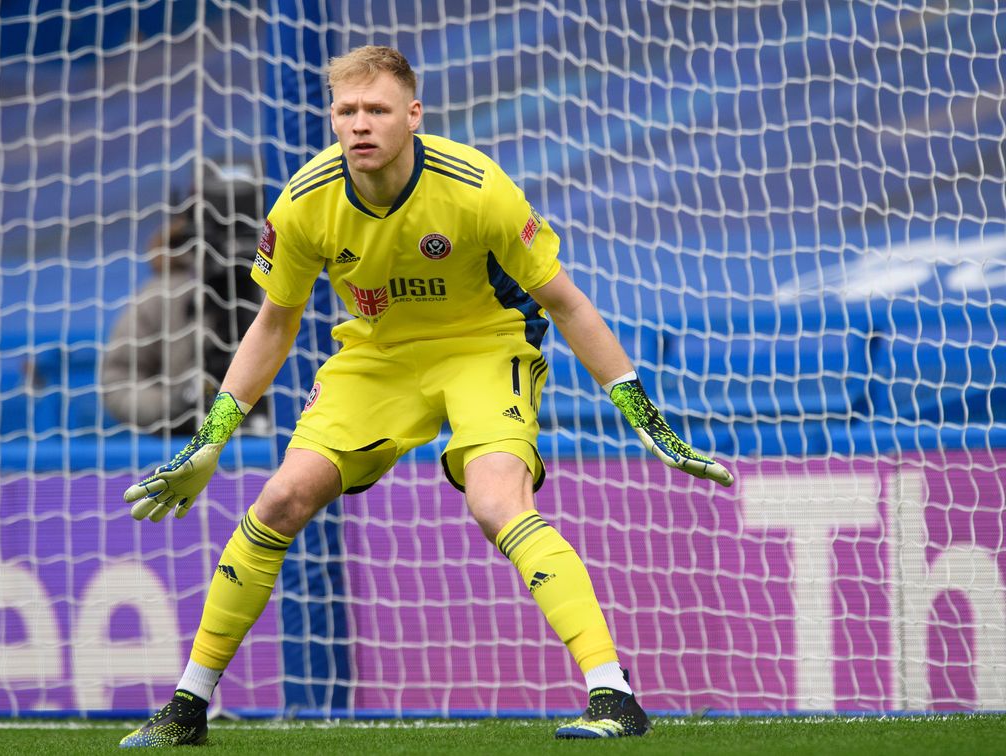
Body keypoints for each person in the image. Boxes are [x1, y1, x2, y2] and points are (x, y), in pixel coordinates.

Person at [118, 46, 733, 747]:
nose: (360, 125)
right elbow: (274, 323)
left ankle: (615, 697)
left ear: (413, 115)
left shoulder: (476, 186)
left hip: (483, 347)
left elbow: (564, 302)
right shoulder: (303, 202)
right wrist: (210, 442)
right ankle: (188, 710)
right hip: (374, 358)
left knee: (497, 501)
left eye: (377, 109)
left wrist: (641, 413)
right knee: (280, 500)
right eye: (346, 111)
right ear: (331, 119)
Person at [100, 171, 265, 437]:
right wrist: (174, 406)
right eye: (220, 226)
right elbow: (118, 380)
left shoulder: (293, 292)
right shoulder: (162, 296)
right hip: (184, 449)